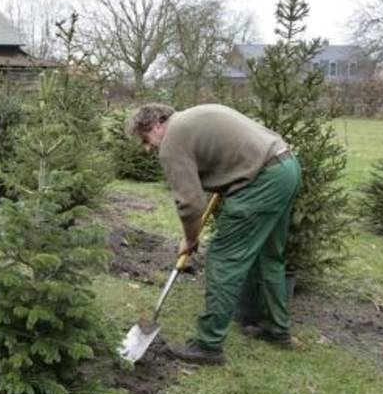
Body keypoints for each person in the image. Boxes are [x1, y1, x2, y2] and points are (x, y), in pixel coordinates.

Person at [128, 103, 302, 365]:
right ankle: (276, 328)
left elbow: (189, 203)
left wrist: (190, 238)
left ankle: (208, 345)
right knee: (269, 255)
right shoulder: (193, 118)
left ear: (157, 124)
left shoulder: (172, 139)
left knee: (223, 258)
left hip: (262, 180)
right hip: (285, 168)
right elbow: (224, 157)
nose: (147, 147)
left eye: (145, 139)